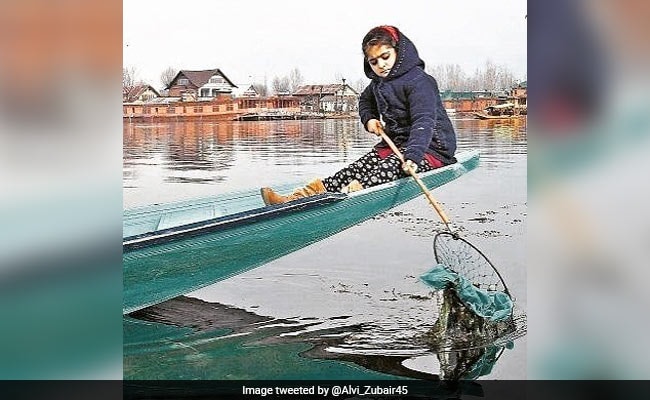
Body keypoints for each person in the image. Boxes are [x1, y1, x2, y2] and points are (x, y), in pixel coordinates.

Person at [260, 25, 457, 205]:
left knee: (385, 170)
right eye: (374, 61)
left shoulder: (420, 81)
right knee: (352, 170)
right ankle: (295, 199)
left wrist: (413, 156)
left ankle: (348, 200)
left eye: (385, 56)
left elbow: (424, 121)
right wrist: (370, 118)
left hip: (429, 149)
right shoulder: (378, 84)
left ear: (398, 51)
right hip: (395, 144)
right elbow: (364, 101)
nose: (381, 65)